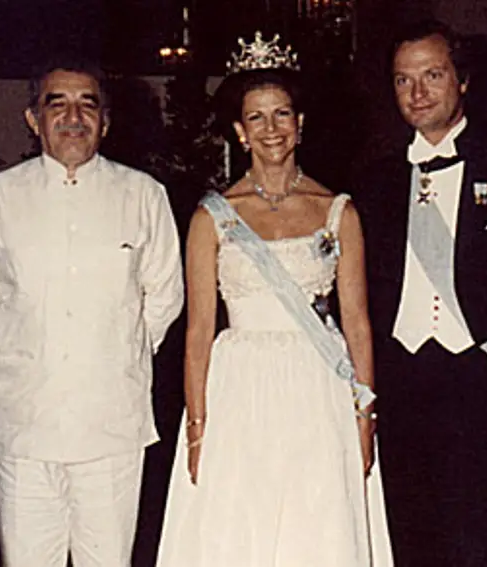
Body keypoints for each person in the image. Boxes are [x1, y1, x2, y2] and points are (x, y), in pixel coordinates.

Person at [155, 32, 392, 567]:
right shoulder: (211, 217)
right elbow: (197, 333)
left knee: (317, 529)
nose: (271, 130)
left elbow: (356, 324)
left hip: (318, 387)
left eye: (282, 114)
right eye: (256, 118)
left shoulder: (339, 211)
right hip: (239, 389)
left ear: (301, 123)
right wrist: (197, 428)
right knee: (241, 530)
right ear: (239, 131)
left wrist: (364, 417)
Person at [0, 55, 184, 567]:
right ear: (34, 119)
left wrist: (114, 356)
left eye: (88, 104)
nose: (73, 116)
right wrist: (20, 356)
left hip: (113, 428)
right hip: (23, 426)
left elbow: (164, 297)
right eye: (58, 103)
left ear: (106, 120)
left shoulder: (144, 195)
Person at [354, 19, 487, 566]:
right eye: (403, 81)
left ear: (463, 80)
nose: (417, 93)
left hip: (482, 381)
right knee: (411, 537)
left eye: (432, 75)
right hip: (401, 381)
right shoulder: (371, 184)